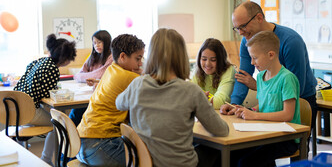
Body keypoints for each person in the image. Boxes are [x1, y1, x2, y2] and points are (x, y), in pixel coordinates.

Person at [116, 28, 229, 167]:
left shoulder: (137, 85)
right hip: (180, 164)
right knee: (216, 153)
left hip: (144, 163)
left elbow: (119, 103)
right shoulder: (191, 91)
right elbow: (221, 130)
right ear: (181, 56)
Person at [224, 1, 317, 130]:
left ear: (259, 18)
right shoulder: (248, 41)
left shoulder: (291, 42)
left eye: (243, 26)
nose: (240, 33)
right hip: (273, 104)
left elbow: (296, 87)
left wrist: (258, 86)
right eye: (237, 28)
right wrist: (234, 105)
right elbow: (243, 77)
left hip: (301, 101)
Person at [222, 31, 301, 167]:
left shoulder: (287, 78)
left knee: (246, 162)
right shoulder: (260, 77)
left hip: (285, 138)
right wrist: (246, 110)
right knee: (232, 155)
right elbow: (264, 104)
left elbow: (287, 115)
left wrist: (255, 115)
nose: (252, 62)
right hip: (265, 133)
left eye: (255, 58)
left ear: (271, 55)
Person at [76, 34, 145, 167]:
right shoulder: (129, 77)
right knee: (147, 160)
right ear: (123, 56)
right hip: (100, 146)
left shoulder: (112, 68)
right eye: (138, 58)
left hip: (81, 143)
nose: (140, 63)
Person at [14, 34, 76, 166]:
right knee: (59, 125)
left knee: (55, 121)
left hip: (15, 108)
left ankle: (34, 155)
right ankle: (46, 159)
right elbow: (48, 94)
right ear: (64, 58)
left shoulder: (40, 61)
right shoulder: (52, 68)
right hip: (28, 110)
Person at [70, 30, 112, 126]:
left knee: (77, 113)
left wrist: (88, 78)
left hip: (100, 98)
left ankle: (69, 135)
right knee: (75, 111)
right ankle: (69, 135)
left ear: (107, 42)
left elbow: (100, 74)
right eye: (94, 43)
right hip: (87, 94)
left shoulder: (111, 57)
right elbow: (78, 75)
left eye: (99, 42)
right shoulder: (93, 55)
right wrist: (88, 78)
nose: (96, 45)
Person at [191, 38, 235, 109]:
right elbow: (188, 98)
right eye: (204, 59)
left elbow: (219, 102)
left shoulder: (229, 70)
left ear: (221, 60)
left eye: (213, 60)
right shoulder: (198, 70)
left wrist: (200, 99)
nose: (207, 64)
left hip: (230, 115)